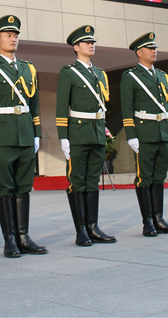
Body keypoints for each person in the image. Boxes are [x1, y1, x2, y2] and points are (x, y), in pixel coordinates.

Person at [0, 15, 47, 258]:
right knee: (5, 187)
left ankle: (23, 236)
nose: (13, 39)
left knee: (23, 186)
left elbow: (34, 104)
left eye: (15, 35)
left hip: (25, 133)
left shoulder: (28, 68)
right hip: (3, 134)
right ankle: (9, 238)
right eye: (8, 35)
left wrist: (36, 133)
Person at [56, 25, 117, 246]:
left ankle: (93, 226)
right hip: (78, 133)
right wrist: (64, 137)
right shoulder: (69, 72)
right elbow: (61, 106)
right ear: (76, 47)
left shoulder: (100, 73)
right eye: (87, 42)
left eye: (92, 42)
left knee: (93, 180)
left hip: (97, 132)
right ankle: (81, 229)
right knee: (77, 181)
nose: (91, 45)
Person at [120, 32, 168, 237]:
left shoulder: (162, 76)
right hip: (144, 133)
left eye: (155, 48)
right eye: (150, 48)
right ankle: (148, 221)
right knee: (145, 177)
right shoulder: (131, 76)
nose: (154, 51)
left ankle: (159, 218)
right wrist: (131, 135)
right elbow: (127, 107)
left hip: (162, 131)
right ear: (139, 52)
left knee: (159, 176)